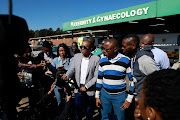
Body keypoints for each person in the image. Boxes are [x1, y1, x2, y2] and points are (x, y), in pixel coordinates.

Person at [95, 38, 134, 120]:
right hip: (104, 95)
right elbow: (99, 79)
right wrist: (97, 96)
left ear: (115, 49)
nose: (104, 52)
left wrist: (129, 99)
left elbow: (132, 80)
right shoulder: (102, 61)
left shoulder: (126, 60)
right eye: (103, 49)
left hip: (120, 96)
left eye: (107, 49)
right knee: (105, 117)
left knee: (120, 118)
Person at [61, 40, 100, 120]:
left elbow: (96, 76)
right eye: (81, 46)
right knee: (78, 112)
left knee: (89, 112)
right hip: (78, 89)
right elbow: (71, 69)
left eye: (84, 47)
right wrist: (66, 76)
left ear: (90, 49)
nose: (82, 48)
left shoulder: (96, 59)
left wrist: (86, 86)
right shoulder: (77, 56)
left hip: (89, 90)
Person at [122, 34, 158, 99]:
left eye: (124, 47)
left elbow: (157, 79)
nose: (122, 48)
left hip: (144, 98)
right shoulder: (135, 57)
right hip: (138, 96)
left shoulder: (145, 59)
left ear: (133, 46)